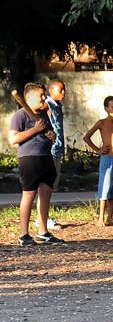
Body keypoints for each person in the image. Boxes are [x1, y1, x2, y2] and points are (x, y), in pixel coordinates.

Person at [9, 82, 64, 245]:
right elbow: (13, 138)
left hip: (46, 157)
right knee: (29, 195)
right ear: (30, 97)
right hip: (29, 159)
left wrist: (51, 136)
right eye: (41, 95)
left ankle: (43, 232)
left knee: (46, 193)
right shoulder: (20, 115)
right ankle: (24, 234)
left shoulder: (43, 115)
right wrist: (34, 129)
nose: (44, 98)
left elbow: (47, 132)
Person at [83, 95, 113, 226]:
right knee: (104, 188)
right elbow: (86, 137)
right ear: (106, 108)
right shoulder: (101, 123)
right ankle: (100, 218)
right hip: (107, 159)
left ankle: (110, 217)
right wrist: (97, 150)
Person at [45, 79, 66, 230]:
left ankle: (44, 217)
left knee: (52, 187)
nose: (64, 93)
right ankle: (43, 219)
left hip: (57, 149)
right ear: (51, 91)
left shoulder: (57, 105)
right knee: (46, 187)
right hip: (50, 150)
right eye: (60, 90)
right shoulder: (47, 104)